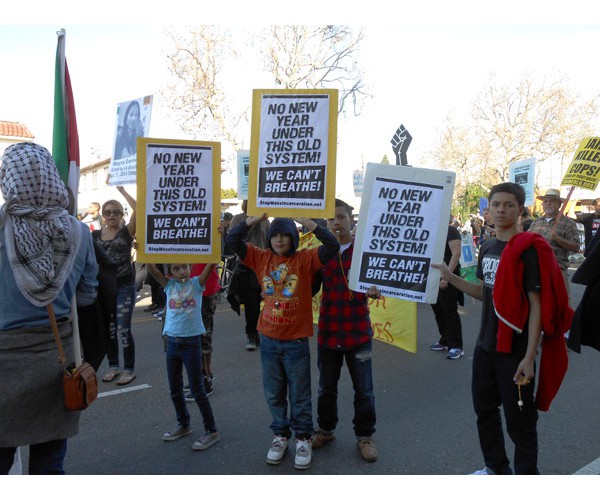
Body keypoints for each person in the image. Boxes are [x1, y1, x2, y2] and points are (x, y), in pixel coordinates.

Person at [433, 182, 572, 475]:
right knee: (485, 413)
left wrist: (529, 356)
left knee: (520, 422)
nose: (501, 210)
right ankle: (496, 468)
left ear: (520, 210)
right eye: (495, 205)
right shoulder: (487, 247)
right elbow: (487, 293)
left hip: (515, 351)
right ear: (487, 210)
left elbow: (536, 306)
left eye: (508, 205)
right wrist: (449, 275)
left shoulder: (528, 250)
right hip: (485, 346)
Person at [0, 143, 98, 474]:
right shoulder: (79, 232)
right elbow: (86, 298)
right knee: (49, 463)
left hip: (3, 364)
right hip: (57, 362)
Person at [226, 214, 339, 470]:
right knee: (274, 394)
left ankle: (303, 438)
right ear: (269, 237)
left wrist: (308, 222)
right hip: (268, 340)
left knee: (299, 395)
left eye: (285, 235)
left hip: (296, 342)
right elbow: (232, 240)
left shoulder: (305, 260)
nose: (279, 239)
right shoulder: (260, 257)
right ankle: (280, 435)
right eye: (275, 234)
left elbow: (331, 246)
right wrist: (253, 219)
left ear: (294, 238)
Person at [311, 199, 380, 462]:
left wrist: (375, 289)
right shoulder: (322, 253)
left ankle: (365, 436)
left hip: (358, 333)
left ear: (351, 219)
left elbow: (380, 282)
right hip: (329, 332)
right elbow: (310, 290)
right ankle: (326, 430)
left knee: (364, 390)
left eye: (340, 217)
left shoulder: (366, 251)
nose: (336, 223)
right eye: (331, 219)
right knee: (326, 388)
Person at [146, 262, 220, 451]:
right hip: (172, 343)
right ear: (170, 272)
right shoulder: (169, 285)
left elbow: (211, 265)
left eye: (185, 267)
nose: (182, 271)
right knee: (175, 389)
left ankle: (211, 430)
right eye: (176, 269)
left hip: (191, 343)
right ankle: (183, 424)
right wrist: (143, 248)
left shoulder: (196, 284)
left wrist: (216, 245)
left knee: (197, 389)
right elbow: (152, 269)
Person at [93, 185, 138, 386]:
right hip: (104, 288)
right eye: (107, 212)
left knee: (123, 328)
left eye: (115, 212)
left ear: (121, 214)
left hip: (124, 285)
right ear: (103, 215)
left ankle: (129, 369)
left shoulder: (126, 232)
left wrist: (121, 190)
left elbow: (139, 208)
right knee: (109, 329)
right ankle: (113, 366)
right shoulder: (94, 236)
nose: (111, 215)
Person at [229, 200, 270, 350]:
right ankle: (251, 334)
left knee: (262, 301)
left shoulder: (266, 222)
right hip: (246, 267)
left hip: (263, 266)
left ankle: (258, 331)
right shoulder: (238, 219)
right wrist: (251, 221)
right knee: (251, 303)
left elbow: (268, 242)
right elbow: (234, 240)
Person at [528, 188, 580, 297]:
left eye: (552, 201)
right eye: (546, 201)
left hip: (557, 269)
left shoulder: (569, 223)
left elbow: (576, 247)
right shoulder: (536, 222)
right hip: (535, 268)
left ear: (559, 205)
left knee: (561, 303)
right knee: (537, 302)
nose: (548, 203)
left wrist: (558, 239)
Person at [429, 215, 465, 359]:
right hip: (433, 278)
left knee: (449, 311)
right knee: (438, 310)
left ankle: (456, 346)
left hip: (448, 277)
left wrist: (446, 277)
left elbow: (456, 255)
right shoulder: (432, 231)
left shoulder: (451, 231)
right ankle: (444, 340)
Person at [187, 263, 220, 397]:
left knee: (202, 336)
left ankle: (203, 379)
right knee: (197, 336)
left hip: (204, 290)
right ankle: (205, 374)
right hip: (186, 289)